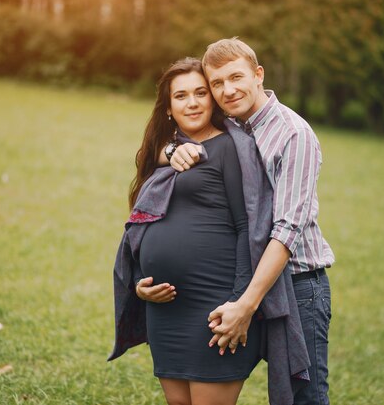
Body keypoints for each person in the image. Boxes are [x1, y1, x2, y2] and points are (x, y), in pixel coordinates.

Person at [162, 38, 335, 405]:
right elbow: (179, 139)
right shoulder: (232, 125)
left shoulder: (293, 134)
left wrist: (246, 304)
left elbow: (287, 229)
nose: (228, 90)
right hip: (244, 281)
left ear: (258, 75)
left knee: (302, 396)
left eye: (236, 77)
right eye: (217, 83)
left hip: (297, 283)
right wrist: (172, 150)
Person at [111, 57, 262, 405]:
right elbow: (140, 228)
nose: (192, 103)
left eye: (200, 93)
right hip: (165, 311)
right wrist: (139, 286)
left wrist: (239, 303)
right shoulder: (164, 153)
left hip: (214, 308)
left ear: (213, 99)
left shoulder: (230, 148)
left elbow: (247, 229)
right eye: (180, 96)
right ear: (168, 108)